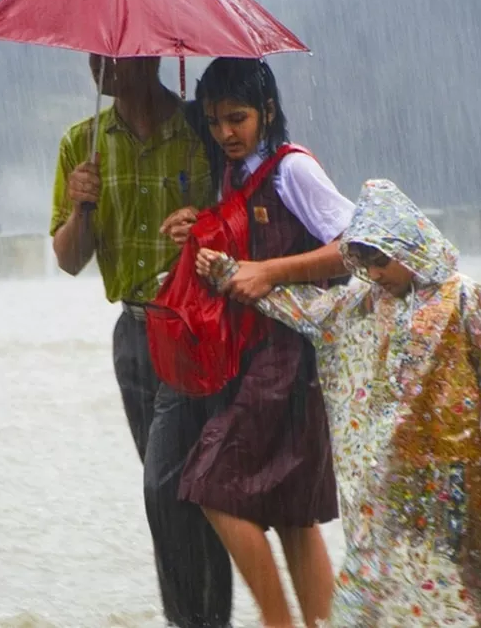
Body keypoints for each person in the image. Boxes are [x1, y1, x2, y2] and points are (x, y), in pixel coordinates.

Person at [198, 178, 481, 627]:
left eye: (381, 259)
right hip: (393, 465)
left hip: (461, 466)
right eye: (364, 260)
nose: (375, 272)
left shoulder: (463, 295)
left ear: (409, 245)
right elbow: (307, 309)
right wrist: (229, 273)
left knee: (475, 571)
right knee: (367, 571)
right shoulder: (366, 301)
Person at [167, 57, 352, 628]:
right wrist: (195, 225)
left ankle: (279, 624)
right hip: (250, 355)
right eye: (215, 119)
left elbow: (357, 247)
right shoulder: (235, 172)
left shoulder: (292, 170)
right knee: (295, 515)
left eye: (239, 117)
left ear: (268, 112)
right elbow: (236, 241)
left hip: (291, 357)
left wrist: (271, 272)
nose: (226, 132)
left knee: (212, 487)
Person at [49, 54, 232, 628]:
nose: (97, 65)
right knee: (178, 493)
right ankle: (202, 619)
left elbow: (243, 221)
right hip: (134, 335)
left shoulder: (203, 131)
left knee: (170, 487)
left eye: (112, 54)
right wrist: (82, 207)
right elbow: (70, 260)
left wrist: (201, 226)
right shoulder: (83, 143)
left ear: (150, 55)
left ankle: (195, 621)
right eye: (92, 54)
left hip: (199, 328)